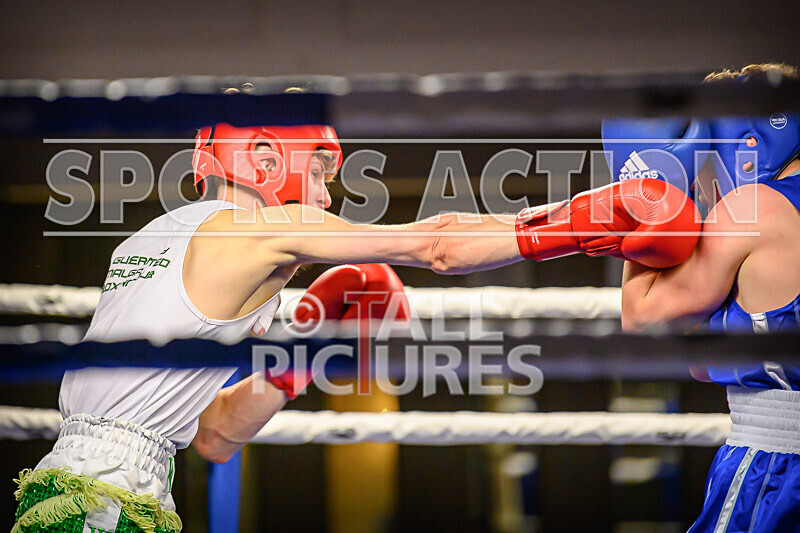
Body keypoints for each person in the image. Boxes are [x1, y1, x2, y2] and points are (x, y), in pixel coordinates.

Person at [13, 110, 700, 531]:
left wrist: (303, 351)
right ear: (262, 157)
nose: (325, 192)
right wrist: (577, 224)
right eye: (319, 170)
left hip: (106, 488)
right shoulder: (263, 230)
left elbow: (214, 434)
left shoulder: (149, 240)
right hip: (99, 505)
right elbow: (435, 244)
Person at [614, 63, 800, 531]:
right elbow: (706, 361)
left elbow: (641, 319)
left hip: (778, 466)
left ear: (745, 151)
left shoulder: (752, 208)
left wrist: (649, 204)